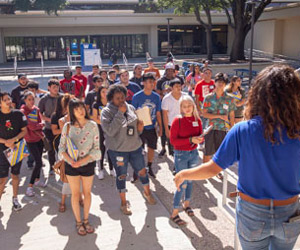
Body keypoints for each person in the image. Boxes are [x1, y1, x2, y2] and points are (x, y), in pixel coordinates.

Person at [174, 64, 300, 250]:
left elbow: (212, 168)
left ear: (258, 95)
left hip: (252, 213)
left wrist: (184, 174)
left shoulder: (242, 130)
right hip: (289, 212)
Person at [101, 85, 156, 215]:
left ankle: (147, 193)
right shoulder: (106, 112)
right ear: (111, 99)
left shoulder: (130, 107)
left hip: (135, 148)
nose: (121, 100)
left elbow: (136, 130)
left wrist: (140, 128)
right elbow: (109, 131)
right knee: (121, 175)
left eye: (123, 97)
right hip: (118, 150)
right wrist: (119, 113)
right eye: (117, 98)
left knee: (142, 171)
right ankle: (124, 203)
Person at [58, 99, 101, 236]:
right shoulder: (67, 127)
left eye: (82, 107)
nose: (80, 111)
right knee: (75, 194)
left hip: (88, 164)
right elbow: (61, 148)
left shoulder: (93, 125)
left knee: (87, 193)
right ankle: (78, 222)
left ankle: (86, 219)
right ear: (72, 112)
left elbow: (97, 150)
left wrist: (83, 161)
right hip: (71, 166)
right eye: (76, 109)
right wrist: (71, 161)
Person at [170, 95, 203, 226]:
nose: (187, 108)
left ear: (193, 106)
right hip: (181, 154)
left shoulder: (197, 120)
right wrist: (190, 140)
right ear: (181, 108)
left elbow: (200, 135)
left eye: (189, 105)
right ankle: (174, 212)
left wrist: (200, 139)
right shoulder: (177, 120)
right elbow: (173, 141)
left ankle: (187, 204)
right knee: (181, 183)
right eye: (184, 106)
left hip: (194, 153)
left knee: (190, 181)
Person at [202, 72, 235, 180]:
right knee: (208, 152)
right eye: (218, 81)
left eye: (223, 82)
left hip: (223, 129)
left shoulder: (230, 99)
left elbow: (232, 115)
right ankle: (204, 172)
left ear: (225, 84)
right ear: (215, 83)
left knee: (219, 153)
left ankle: (216, 171)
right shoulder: (208, 97)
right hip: (210, 128)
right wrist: (219, 116)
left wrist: (232, 129)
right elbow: (204, 114)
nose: (220, 84)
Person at [131, 73, 163, 182]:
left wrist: (160, 127)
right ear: (143, 83)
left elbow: (158, 113)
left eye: (153, 82)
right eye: (149, 82)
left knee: (151, 148)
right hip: (140, 128)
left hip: (151, 127)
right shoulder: (137, 96)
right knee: (138, 150)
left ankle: (149, 166)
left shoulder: (156, 97)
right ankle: (137, 170)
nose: (152, 84)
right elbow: (133, 112)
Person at [0, 92, 27, 211]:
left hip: (17, 149)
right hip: (1, 151)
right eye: (5, 100)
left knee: (15, 176)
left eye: (9, 99)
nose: (8, 101)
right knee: (2, 179)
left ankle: (15, 199)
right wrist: (5, 141)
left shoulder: (18, 114)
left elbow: (24, 131)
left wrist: (13, 140)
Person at [21, 91, 46, 197]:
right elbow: (30, 126)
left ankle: (37, 180)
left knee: (39, 160)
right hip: (30, 140)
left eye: (33, 99)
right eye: (29, 99)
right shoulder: (22, 112)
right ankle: (29, 187)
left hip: (39, 139)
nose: (31, 101)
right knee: (38, 162)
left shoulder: (36, 109)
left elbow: (42, 123)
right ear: (25, 100)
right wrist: (39, 125)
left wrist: (39, 125)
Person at [92, 86, 115, 179]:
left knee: (111, 149)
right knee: (101, 149)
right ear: (99, 93)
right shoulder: (96, 104)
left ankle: (111, 169)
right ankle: (100, 169)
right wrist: (104, 123)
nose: (105, 94)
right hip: (100, 129)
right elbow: (94, 118)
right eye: (103, 92)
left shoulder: (112, 103)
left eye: (106, 92)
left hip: (110, 129)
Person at [39, 79, 61, 175]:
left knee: (61, 149)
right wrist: (49, 120)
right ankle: (52, 167)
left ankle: (62, 167)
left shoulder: (62, 97)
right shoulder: (44, 99)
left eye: (57, 87)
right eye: (54, 87)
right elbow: (39, 113)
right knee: (50, 150)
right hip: (48, 128)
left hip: (61, 128)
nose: (56, 89)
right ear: (49, 88)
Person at [156, 63, 177, 157]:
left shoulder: (177, 79)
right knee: (163, 128)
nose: (170, 72)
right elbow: (157, 92)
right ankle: (163, 148)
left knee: (173, 128)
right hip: (163, 106)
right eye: (168, 70)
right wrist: (164, 93)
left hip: (175, 107)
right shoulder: (161, 80)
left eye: (171, 70)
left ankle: (172, 149)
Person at [162, 78, 185, 160]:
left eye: (180, 86)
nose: (178, 88)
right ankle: (176, 165)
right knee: (174, 147)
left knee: (183, 145)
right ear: (171, 87)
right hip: (171, 125)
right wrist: (166, 130)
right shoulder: (166, 99)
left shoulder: (185, 96)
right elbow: (165, 115)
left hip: (184, 125)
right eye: (176, 86)